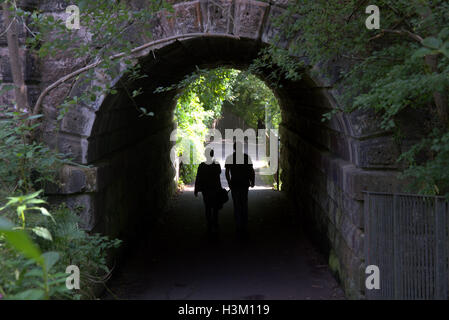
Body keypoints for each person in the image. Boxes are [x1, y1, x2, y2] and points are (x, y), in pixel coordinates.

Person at [225, 141, 255, 239]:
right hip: (244, 184)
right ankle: (244, 225)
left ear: (234, 148)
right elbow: (251, 170)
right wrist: (252, 181)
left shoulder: (230, 158)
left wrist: (229, 182)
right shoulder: (246, 157)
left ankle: (238, 225)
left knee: (236, 205)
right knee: (244, 204)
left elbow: (227, 172)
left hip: (235, 184)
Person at [194, 148, 222, 236]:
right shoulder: (216, 165)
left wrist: (196, 189)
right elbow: (219, 172)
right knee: (215, 208)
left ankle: (209, 225)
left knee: (208, 207)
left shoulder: (202, 165)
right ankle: (215, 224)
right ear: (213, 154)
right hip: (215, 189)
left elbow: (198, 178)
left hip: (206, 190)